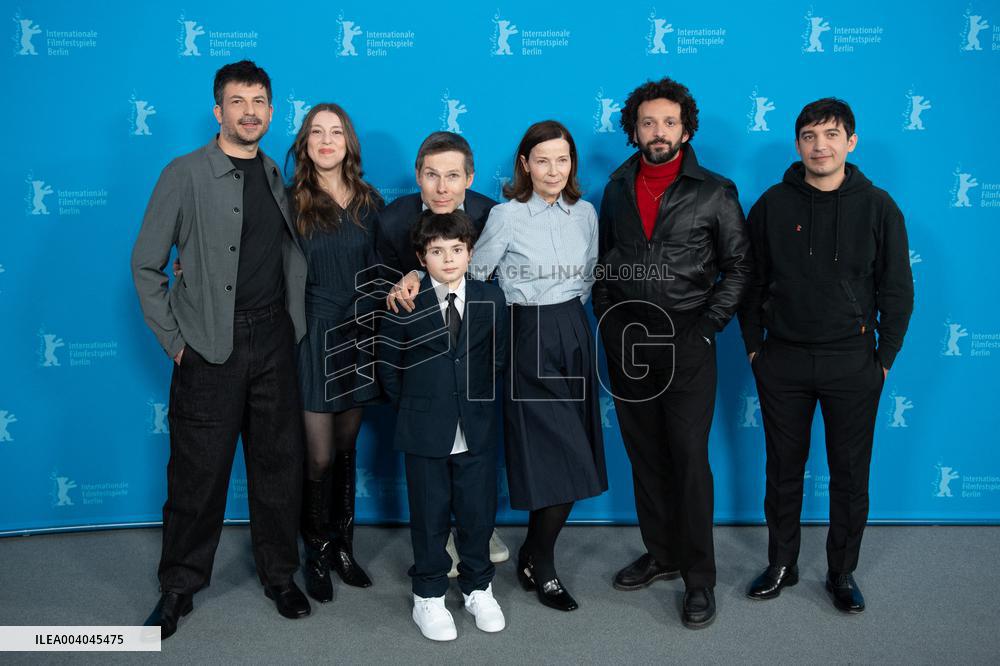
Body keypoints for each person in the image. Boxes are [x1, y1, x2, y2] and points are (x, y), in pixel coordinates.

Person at [394, 120, 607, 611]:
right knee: (555, 455)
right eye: (542, 159)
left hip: (573, 332)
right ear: (524, 165)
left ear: (572, 165)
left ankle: (534, 552)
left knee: (578, 454)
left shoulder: (587, 213)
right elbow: (471, 273)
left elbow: (590, 275)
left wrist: (570, 324)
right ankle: (543, 565)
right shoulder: (507, 216)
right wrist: (412, 271)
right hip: (525, 334)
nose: (553, 169)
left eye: (563, 159)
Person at [131, 60, 310, 639]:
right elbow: (146, 265)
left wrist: (293, 328)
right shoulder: (183, 174)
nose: (250, 112)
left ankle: (281, 575)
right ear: (218, 111)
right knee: (197, 476)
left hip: (273, 343)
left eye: (260, 101)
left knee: (279, 469)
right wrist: (176, 345)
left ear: (271, 110)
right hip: (209, 345)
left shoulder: (277, 176)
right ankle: (178, 588)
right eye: (238, 102)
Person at [738, 98, 913, 614]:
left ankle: (841, 572)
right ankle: (782, 564)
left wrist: (884, 359)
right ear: (798, 145)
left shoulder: (879, 206)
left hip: (852, 362)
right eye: (810, 136)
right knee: (783, 471)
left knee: (850, 473)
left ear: (850, 142)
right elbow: (748, 283)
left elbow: (898, 290)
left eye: (831, 135)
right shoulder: (771, 204)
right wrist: (755, 349)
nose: (821, 145)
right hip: (783, 361)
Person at [592, 77, 751, 629]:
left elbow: (740, 268)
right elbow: (604, 264)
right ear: (633, 130)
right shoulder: (615, 188)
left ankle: (699, 578)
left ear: (686, 127)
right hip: (628, 341)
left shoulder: (715, 191)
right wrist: (607, 317)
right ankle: (661, 554)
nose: (657, 132)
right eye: (647, 122)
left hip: (687, 339)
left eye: (668, 122)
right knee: (645, 454)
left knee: (687, 460)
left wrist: (707, 328)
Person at [379, 131, 510, 569]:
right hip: (421, 355)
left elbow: (493, 281)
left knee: (474, 456)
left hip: (471, 343)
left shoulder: (491, 214)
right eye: (431, 175)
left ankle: (475, 528)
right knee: (431, 462)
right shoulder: (393, 219)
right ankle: (438, 544)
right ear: (417, 176)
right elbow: (380, 286)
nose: (441, 188)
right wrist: (411, 275)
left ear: (469, 178)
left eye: (452, 176)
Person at [377, 211, 509, 641]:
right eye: (437, 251)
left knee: (476, 513)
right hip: (425, 427)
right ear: (421, 257)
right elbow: (390, 370)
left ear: (471, 253)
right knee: (429, 515)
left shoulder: (492, 299)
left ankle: (477, 586)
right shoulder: (405, 303)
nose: (448, 259)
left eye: (457, 250)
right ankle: (429, 594)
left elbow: (499, 359)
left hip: (477, 428)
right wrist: (419, 408)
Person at [286, 103, 384, 601]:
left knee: (347, 449)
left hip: (360, 335)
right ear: (305, 144)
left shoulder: (370, 202)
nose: (327, 140)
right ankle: (316, 551)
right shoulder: (291, 201)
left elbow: (387, 268)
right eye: (316, 133)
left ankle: (344, 547)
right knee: (319, 456)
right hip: (313, 334)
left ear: (349, 142)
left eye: (336, 132)